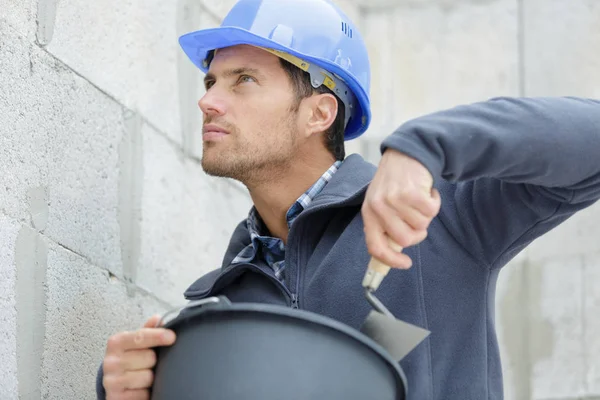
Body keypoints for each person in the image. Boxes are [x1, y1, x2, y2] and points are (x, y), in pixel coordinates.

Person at [96, 0, 600, 399]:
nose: (208, 99)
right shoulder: (220, 313)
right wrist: (130, 387)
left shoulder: (431, 217)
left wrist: (422, 148)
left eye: (243, 80)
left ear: (319, 113)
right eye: (209, 81)